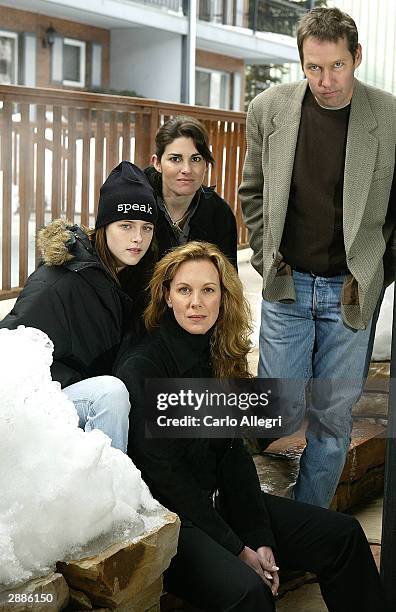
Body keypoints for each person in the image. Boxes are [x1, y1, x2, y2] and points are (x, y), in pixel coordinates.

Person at [116, 241, 388, 612]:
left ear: (222, 298)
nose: (196, 302)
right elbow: (168, 481)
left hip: (221, 505)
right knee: (250, 594)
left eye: (208, 290)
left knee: (342, 536)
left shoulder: (219, 355)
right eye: (184, 290)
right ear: (166, 296)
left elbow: (233, 457)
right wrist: (237, 548)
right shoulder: (143, 367)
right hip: (175, 523)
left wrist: (258, 535)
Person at [239, 6, 396, 508]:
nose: (326, 81)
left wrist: (378, 273)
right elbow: (252, 192)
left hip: (349, 293)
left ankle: (309, 530)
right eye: (313, 68)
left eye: (337, 67)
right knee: (275, 411)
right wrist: (269, 261)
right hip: (288, 285)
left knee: (332, 423)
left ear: (357, 57)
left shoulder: (390, 118)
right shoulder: (269, 108)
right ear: (301, 62)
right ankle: (249, 513)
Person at [0, 161, 157, 453]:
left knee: (186, 399)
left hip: (99, 393)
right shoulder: (59, 282)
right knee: (111, 394)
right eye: (126, 226)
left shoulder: (136, 277)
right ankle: (110, 491)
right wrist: (82, 380)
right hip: (47, 403)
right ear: (104, 226)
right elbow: (10, 356)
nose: (138, 237)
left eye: (146, 227)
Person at [145, 115, 238, 267]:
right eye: (175, 159)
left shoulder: (220, 214)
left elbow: (228, 283)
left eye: (195, 159)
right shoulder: (135, 202)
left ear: (206, 165)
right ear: (157, 163)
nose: (186, 170)